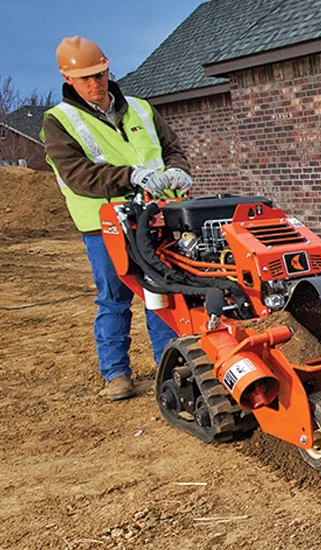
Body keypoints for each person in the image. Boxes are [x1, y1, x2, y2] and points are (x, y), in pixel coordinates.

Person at [41, 36, 193, 401]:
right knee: (114, 296)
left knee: (163, 289)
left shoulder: (140, 108)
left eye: (100, 74)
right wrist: (131, 176)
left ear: (108, 68)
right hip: (104, 222)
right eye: (85, 78)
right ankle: (116, 373)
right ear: (67, 77)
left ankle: (170, 365)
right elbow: (77, 174)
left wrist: (178, 170)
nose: (95, 84)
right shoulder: (60, 121)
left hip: (156, 215)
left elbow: (172, 148)